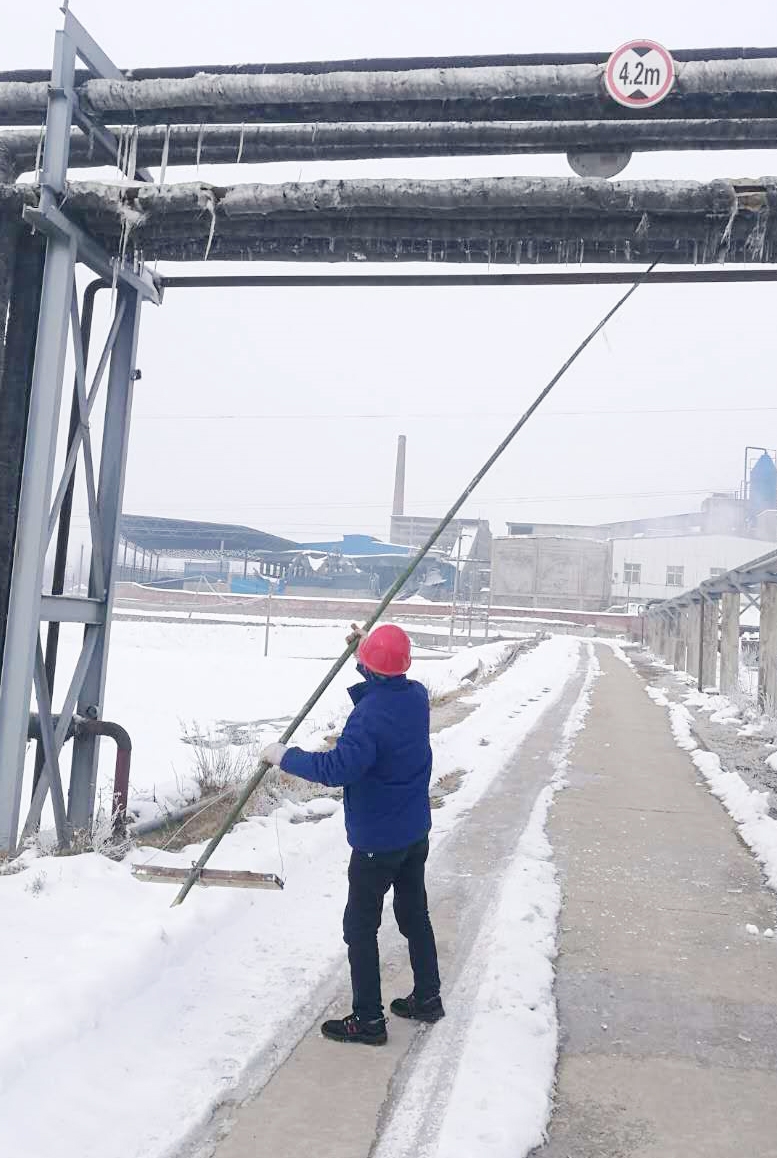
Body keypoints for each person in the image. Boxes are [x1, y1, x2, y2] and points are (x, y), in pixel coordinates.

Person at [260, 622, 444, 1046]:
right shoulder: (415, 697)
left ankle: (368, 1020)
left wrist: (284, 756)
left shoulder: (368, 718)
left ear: (370, 668)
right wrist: (366, 652)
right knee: (415, 914)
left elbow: (335, 769)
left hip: (377, 842)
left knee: (359, 928)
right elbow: (386, 683)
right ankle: (427, 998)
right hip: (414, 832)